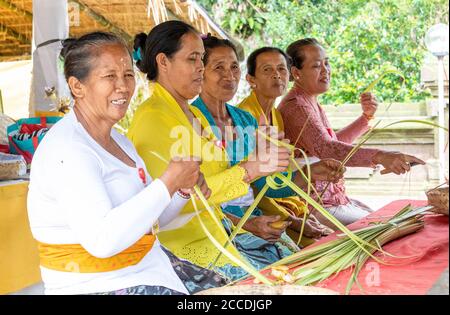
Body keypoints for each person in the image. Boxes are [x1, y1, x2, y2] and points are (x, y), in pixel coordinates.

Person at [27, 32, 226, 295]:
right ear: (77, 86)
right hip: (99, 285)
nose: (123, 86)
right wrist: (167, 183)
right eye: (110, 76)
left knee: (238, 289)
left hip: (145, 268)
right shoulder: (68, 150)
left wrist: (180, 189)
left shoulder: (120, 142)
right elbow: (102, 240)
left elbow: (151, 222)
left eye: (128, 75)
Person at [128, 21, 292, 280]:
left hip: (219, 235)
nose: (200, 68)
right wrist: (250, 170)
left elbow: (212, 188)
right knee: (273, 283)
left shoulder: (192, 114)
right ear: (163, 61)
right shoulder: (153, 118)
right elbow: (170, 203)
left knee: (294, 262)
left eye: (201, 59)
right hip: (185, 250)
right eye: (193, 59)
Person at [193, 39, 337, 245]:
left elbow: (264, 185)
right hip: (216, 230)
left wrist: (309, 174)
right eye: (218, 67)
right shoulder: (192, 121)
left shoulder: (246, 120)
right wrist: (245, 224)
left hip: (256, 220)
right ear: (200, 71)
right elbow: (194, 201)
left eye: (234, 67)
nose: (230, 75)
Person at [278, 38, 425, 225]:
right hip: (315, 207)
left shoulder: (308, 101)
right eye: (316, 66)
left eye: (327, 63)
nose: (326, 70)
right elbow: (327, 148)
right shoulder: (297, 107)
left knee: (396, 219)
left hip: (334, 201)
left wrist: (366, 118)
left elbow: (329, 142)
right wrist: (380, 156)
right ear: (296, 73)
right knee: (388, 226)